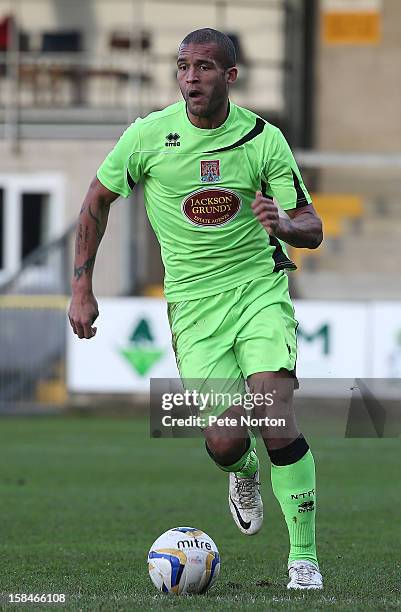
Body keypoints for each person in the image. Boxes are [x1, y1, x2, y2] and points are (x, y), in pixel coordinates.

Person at [68, 28, 323, 590]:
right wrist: (82, 287)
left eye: (204, 67)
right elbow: (95, 202)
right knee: (226, 440)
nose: (191, 78)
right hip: (194, 307)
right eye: (183, 66)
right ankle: (244, 472)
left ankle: (303, 560)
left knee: (274, 411)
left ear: (230, 76)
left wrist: (283, 223)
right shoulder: (148, 137)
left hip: (259, 290)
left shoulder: (262, 138)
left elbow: (312, 226)